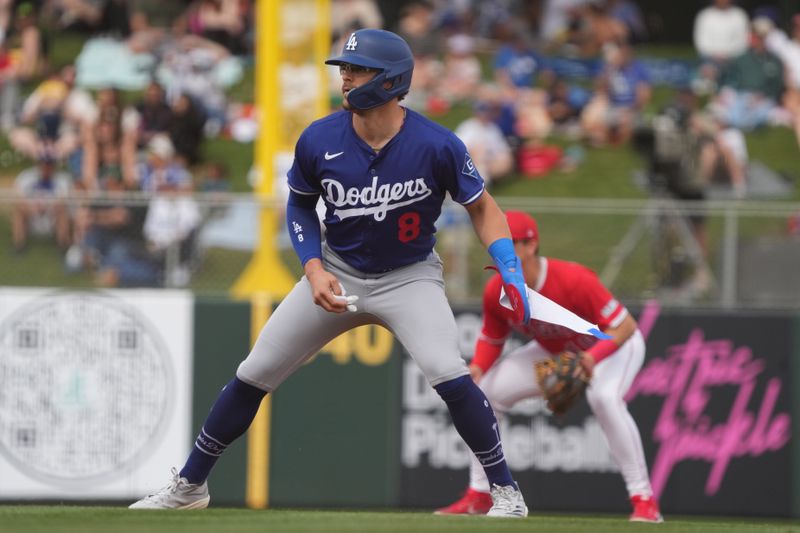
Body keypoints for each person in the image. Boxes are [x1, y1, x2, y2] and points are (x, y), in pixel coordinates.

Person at [128, 28, 531, 517]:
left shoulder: (437, 144)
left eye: (357, 69)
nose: (345, 77)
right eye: (345, 67)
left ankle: (506, 493)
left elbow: (482, 206)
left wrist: (508, 261)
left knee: (449, 373)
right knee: (253, 372)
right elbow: (298, 208)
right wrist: (314, 268)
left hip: (409, 276)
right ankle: (190, 486)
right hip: (337, 272)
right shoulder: (320, 138)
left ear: (390, 81)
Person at [435, 211, 664, 524]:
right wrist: (477, 368)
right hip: (557, 350)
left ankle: (645, 501)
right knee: (485, 392)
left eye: (511, 243)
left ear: (531, 245)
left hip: (611, 348)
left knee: (604, 399)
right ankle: (479, 494)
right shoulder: (496, 291)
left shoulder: (573, 279)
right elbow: (492, 338)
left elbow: (624, 326)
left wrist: (591, 360)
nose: (501, 251)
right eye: (497, 244)